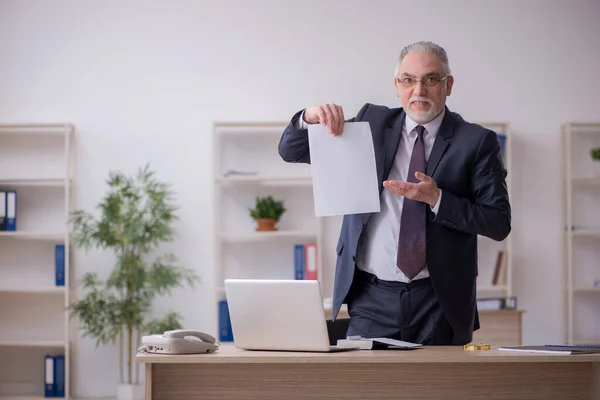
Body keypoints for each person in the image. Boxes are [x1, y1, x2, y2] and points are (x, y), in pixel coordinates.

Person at [278, 41, 511, 345]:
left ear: (448, 85)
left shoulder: (477, 142)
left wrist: (437, 199)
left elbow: (498, 222)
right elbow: (290, 151)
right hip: (371, 298)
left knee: (438, 391)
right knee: (369, 391)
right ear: (397, 86)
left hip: (439, 302)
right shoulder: (371, 124)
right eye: (408, 80)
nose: (419, 90)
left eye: (430, 79)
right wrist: (308, 118)